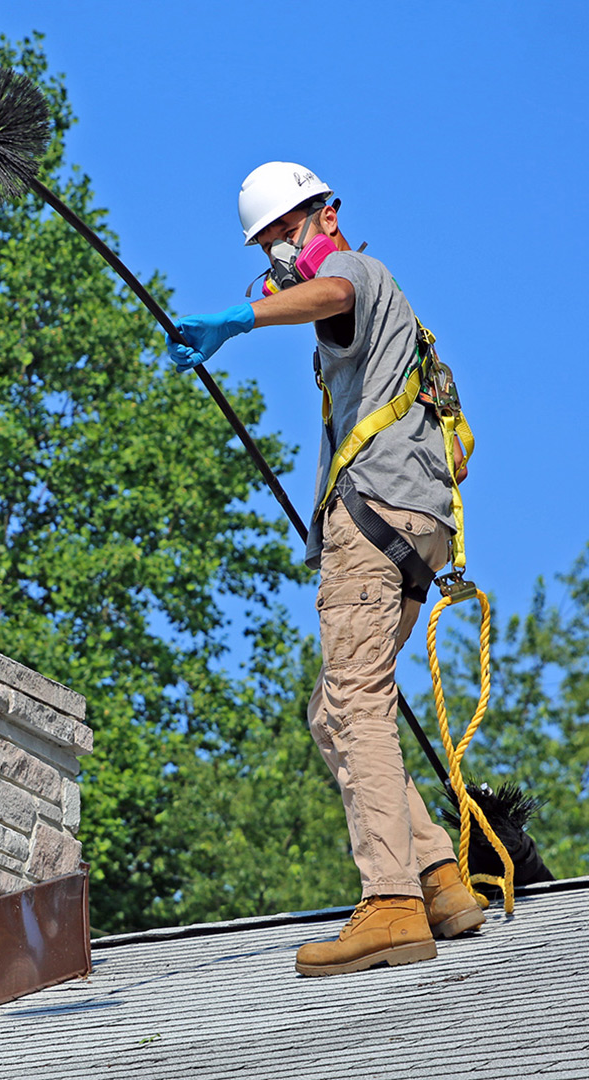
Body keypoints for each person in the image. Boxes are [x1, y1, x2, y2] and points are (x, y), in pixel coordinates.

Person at [167, 161, 484, 977]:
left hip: (373, 517)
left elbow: (331, 292)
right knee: (333, 710)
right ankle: (437, 875)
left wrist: (242, 317)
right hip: (417, 524)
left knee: (354, 699)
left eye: (287, 228)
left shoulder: (353, 269)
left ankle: (390, 903)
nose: (281, 247)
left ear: (327, 213)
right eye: (268, 239)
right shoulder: (390, 312)